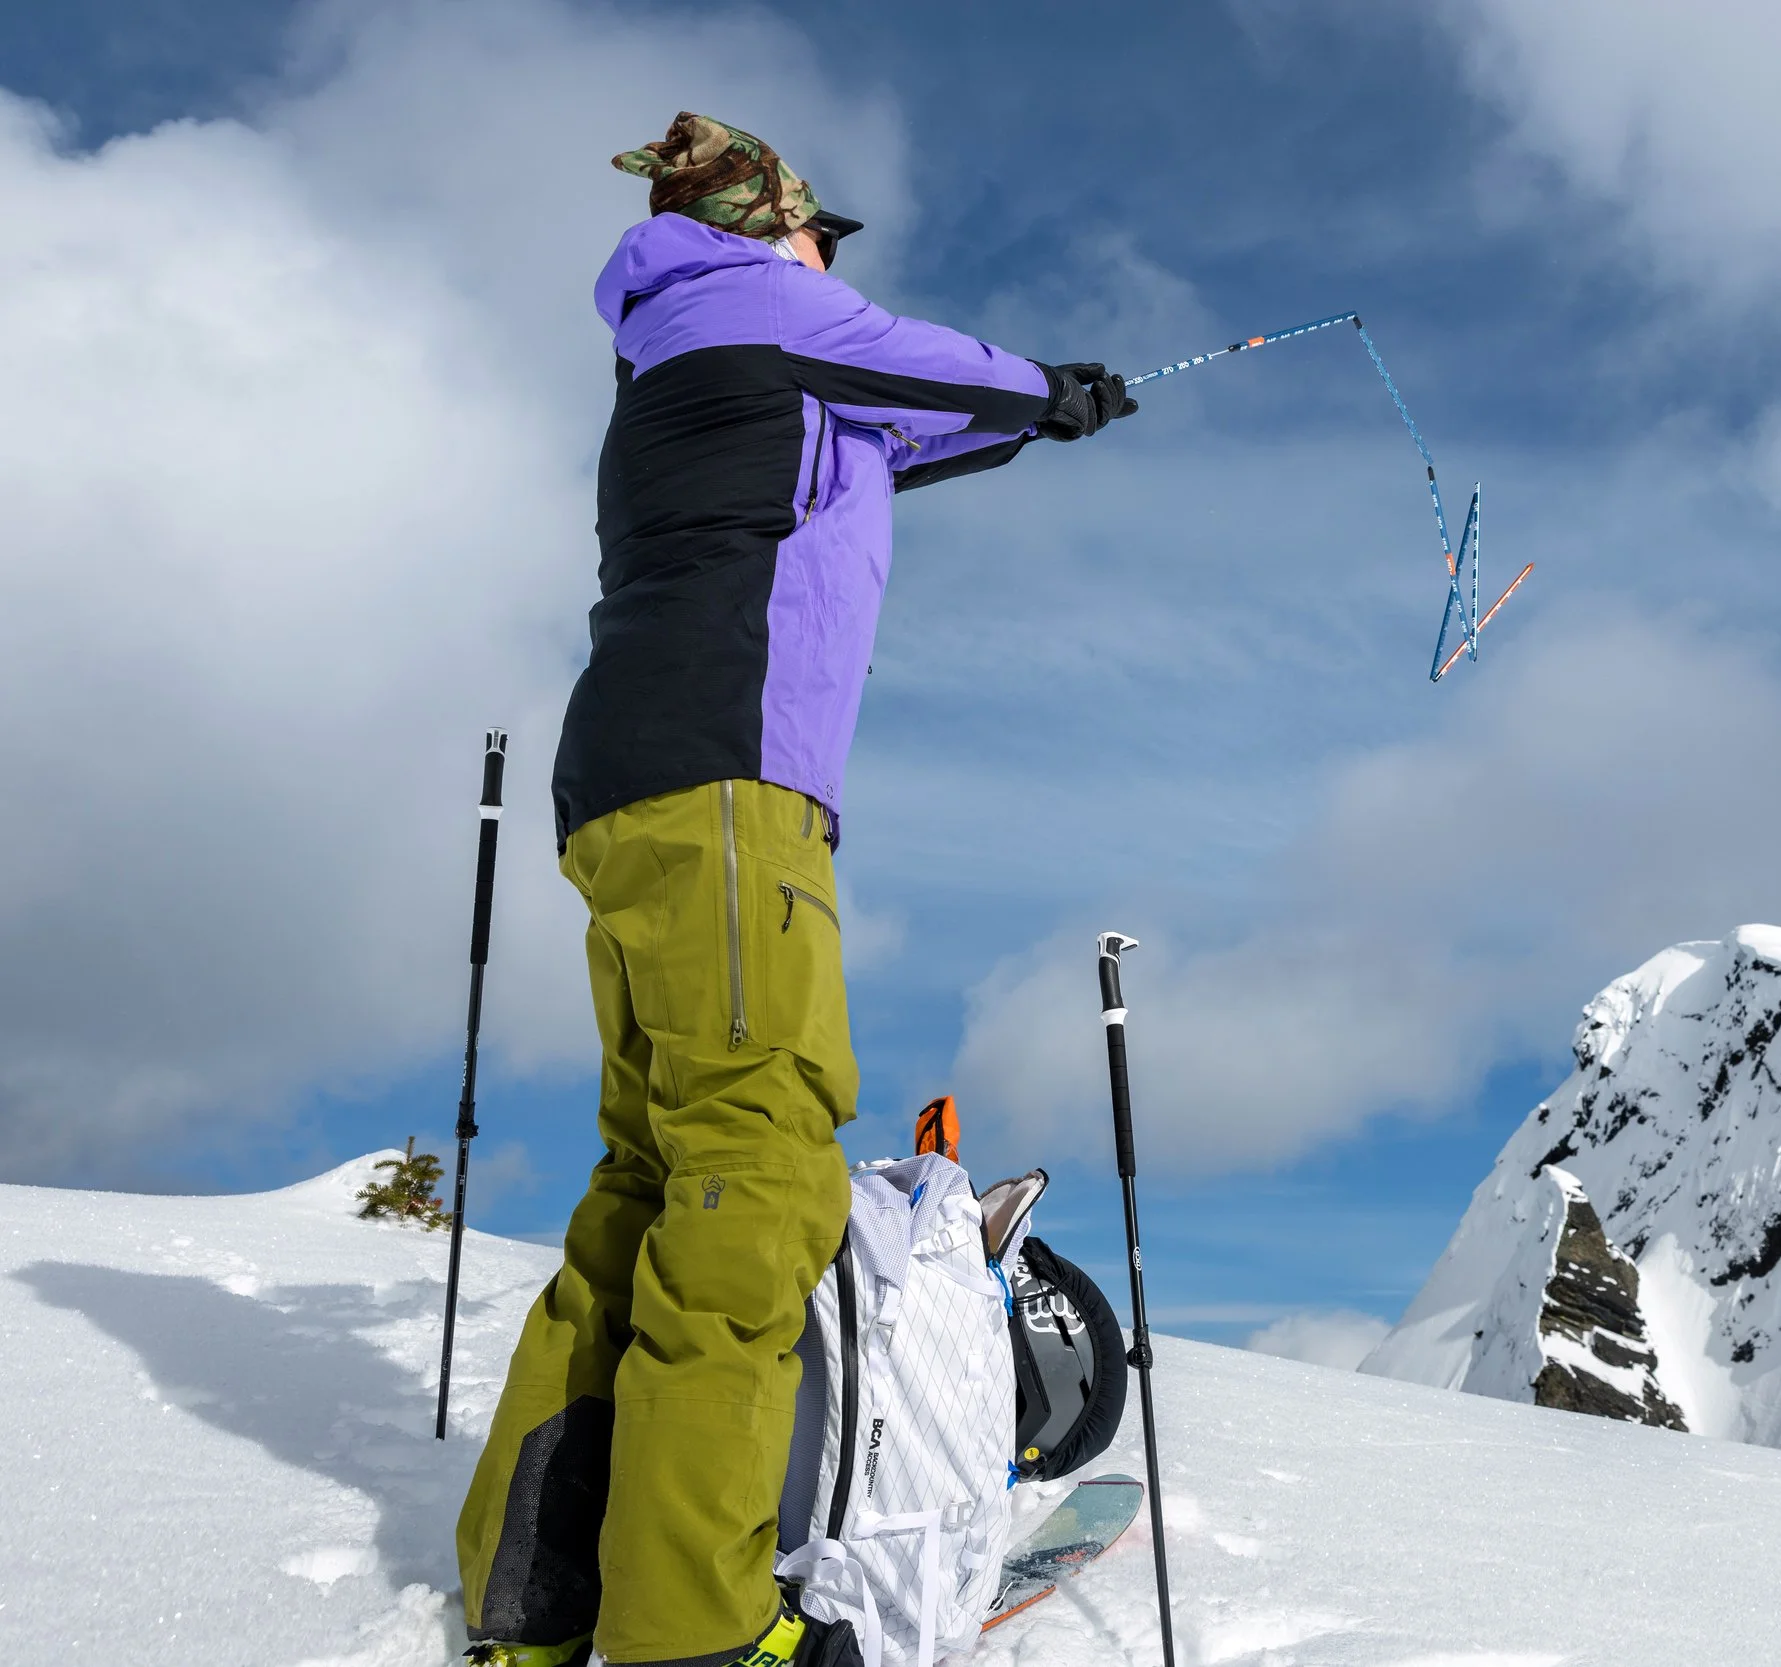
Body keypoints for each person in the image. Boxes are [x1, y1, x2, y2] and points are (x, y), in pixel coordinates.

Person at [455, 112, 1136, 1667]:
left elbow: (910, 423)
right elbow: (935, 369)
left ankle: (534, 1589)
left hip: (636, 783)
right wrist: (1057, 389)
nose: (834, 262)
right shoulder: (753, 301)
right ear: (777, 228)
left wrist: (1036, 420)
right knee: (758, 1172)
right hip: (727, 789)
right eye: (825, 238)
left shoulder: (700, 350)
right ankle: (694, 1629)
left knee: (655, 1176)